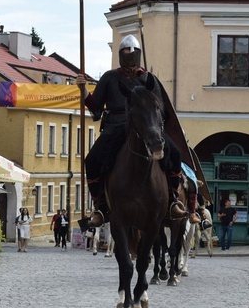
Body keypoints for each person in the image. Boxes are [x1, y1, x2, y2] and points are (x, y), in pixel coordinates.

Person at [75, 35, 191, 228]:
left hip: (147, 127)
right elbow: (96, 108)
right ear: (120, 54)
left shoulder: (149, 79)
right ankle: (100, 207)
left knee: (175, 153)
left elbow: (160, 108)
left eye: (132, 52)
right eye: (125, 52)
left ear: (138, 54)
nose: (129, 56)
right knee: (92, 160)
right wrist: (84, 91)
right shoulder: (110, 77)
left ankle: (173, 201)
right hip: (115, 127)